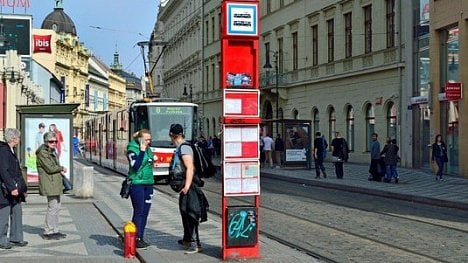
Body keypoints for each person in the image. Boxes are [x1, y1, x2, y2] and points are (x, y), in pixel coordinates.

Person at [169, 124, 208, 254]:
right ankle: (187, 239)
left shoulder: (184, 148)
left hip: (189, 185)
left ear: (172, 135)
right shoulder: (181, 147)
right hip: (186, 184)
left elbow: (190, 167)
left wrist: (186, 186)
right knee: (184, 212)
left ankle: (195, 243)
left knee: (191, 212)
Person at [36, 131, 68, 240]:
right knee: (52, 207)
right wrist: (61, 168)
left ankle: (55, 230)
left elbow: (53, 166)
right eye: (51, 141)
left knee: (57, 206)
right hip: (49, 182)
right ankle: (48, 231)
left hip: (54, 182)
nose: (54, 143)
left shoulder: (51, 151)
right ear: (46, 142)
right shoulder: (43, 153)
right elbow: (50, 168)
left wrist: (59, 169)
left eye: (55, 141)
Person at [126, 129, 154, 249]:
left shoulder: (149, 149)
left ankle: (140, 237)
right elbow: (136, 166)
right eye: (146, 139)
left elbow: (150, 163)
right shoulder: (132, 149)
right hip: (137, 184)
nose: (149, 142)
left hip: (149, 183)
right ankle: (135, 237)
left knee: (145, 212)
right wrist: (142, 152)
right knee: (139, 211)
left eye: (149, 139)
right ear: (140, 139)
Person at [0, 128, 28, 249]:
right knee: (4, 214)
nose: (19, 140)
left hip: (16, 186)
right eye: (18, 137)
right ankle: (2, 239)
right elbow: (3, 171)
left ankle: (16, 237)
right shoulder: (3, 151)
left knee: (17, 211)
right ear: (13, 139)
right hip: (5, 189)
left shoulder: (12, 149)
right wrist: (12, 187)